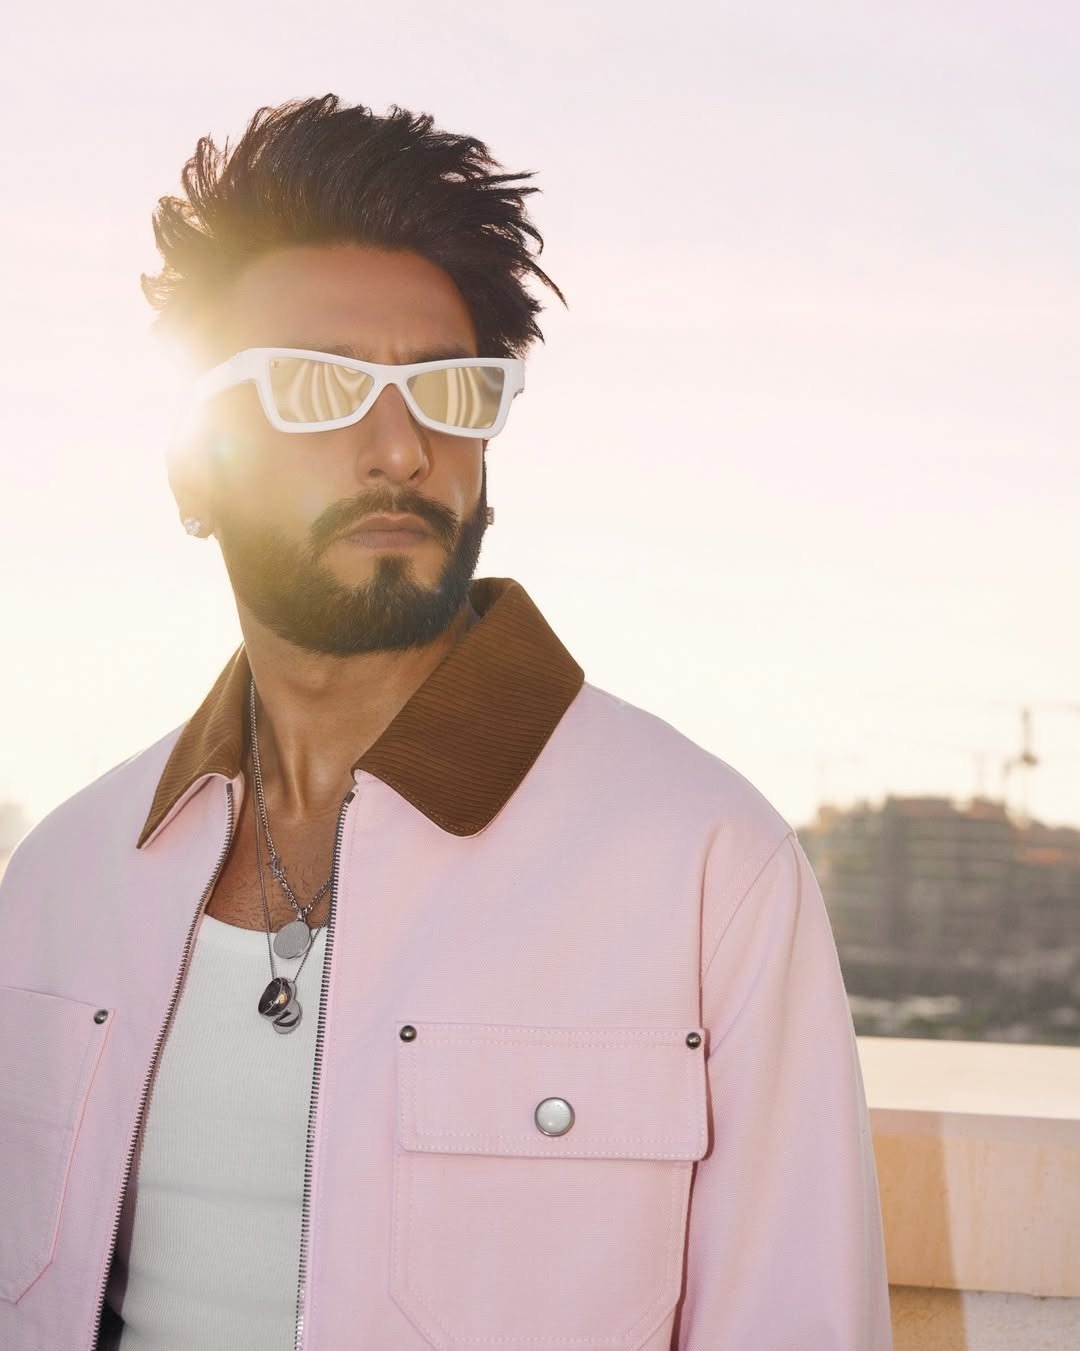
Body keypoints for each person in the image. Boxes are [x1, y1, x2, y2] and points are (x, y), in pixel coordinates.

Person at [0, 94, 892, 1351]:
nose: (401, 447)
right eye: (316, 387)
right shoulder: (61, 876)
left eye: (450, 390)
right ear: (194, 466)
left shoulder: (704, 864)